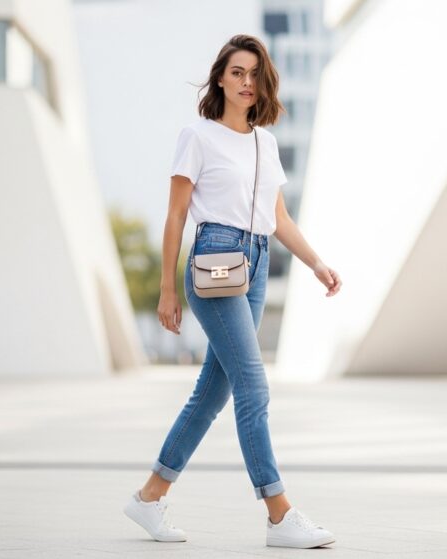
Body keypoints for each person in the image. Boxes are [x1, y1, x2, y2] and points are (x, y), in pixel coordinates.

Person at [122, 34, 342, 549]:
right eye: (238, 72)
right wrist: (168, 289)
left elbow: (278, 217)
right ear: (220, 76)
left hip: (259, 260)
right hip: (215, 261)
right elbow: (176, 216)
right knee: (253, 385)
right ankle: (279, 513)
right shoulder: (197, 136)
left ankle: (149, 498)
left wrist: (316, 263)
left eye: (255, 75)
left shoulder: (265, 141)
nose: (247, 83)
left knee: (211, 395)